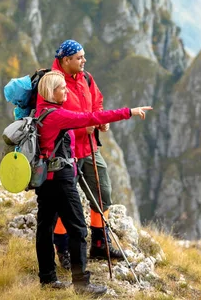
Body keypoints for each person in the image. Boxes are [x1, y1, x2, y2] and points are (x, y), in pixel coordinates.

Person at [35, 70, 152, 295]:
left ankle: (47, 279)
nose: (66, 91)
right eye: (62, 88)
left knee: (44, 227)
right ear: (52, 91)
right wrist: (129, 112)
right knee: (78, 228)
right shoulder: (58, 116)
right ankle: (81, 284)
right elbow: (92, 118)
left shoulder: (41, 112)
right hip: (61, 179)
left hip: (45, 180)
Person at [51, 40, 127, 267]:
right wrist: (85, 127)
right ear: (66, 60)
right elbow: (52, 117)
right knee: (64, 202)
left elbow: (97, 102)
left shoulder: (86, 78)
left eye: (84, 56)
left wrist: (101, 119)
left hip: (90, 148)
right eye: (79, 57)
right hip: (65, 152)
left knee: (102, 192)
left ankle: (99, 244)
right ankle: (63, 250)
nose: (84, 61)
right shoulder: (53, 82)